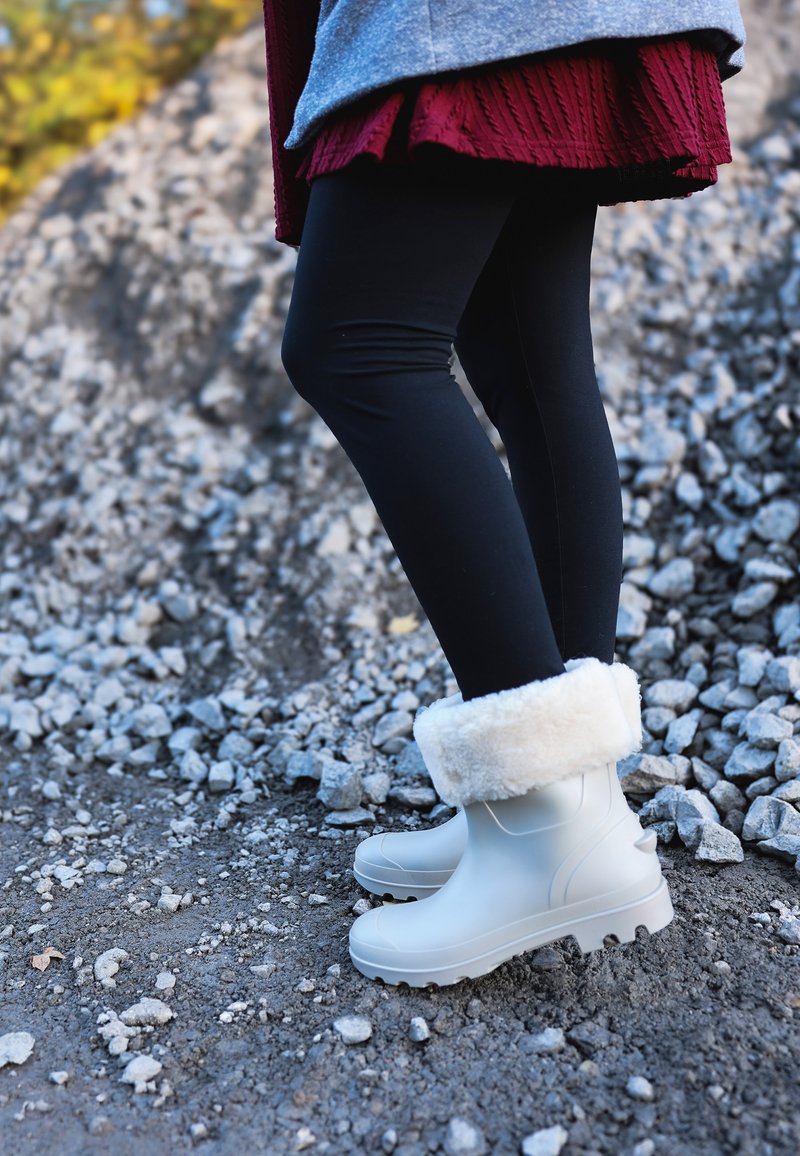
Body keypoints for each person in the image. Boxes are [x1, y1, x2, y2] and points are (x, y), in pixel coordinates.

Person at [260, 1, 746, 987]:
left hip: (465, 23)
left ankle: (545, 831)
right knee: (528, 361)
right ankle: (566, 802)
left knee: (359, 346)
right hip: (543, 20)